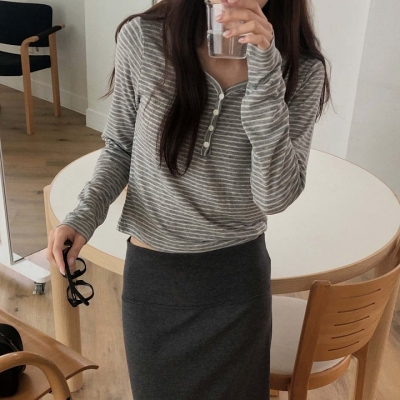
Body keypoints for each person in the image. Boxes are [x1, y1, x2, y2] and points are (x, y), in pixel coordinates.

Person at [47, 0, 330, 398]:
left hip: (236, 281)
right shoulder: (144, 38)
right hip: (155, 279)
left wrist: (266, 72)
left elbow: (274, 196)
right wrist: (83, 215)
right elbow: (121, 148)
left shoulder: (302, 69)